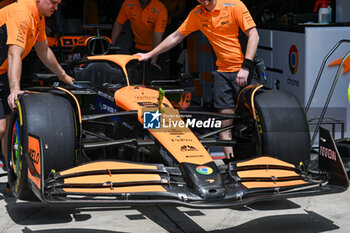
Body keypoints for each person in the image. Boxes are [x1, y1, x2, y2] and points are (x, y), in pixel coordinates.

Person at [135, 0, 259, 159]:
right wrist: (149, 55)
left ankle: (261, 158)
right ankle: (230, 162)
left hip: (244, 70)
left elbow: (254, 35)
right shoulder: (197, 14)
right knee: (225, 118)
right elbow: (176, 36)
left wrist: (246, 66)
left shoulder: (234, 5)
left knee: (255, 118)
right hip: (222, 72)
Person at [0, 0, 74, 167]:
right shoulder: (22, 14)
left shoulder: (38, 17)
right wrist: (14, 89)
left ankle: (12, 179)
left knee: (9, 127)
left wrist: (63, 76)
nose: (56, 8)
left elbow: (44, 50)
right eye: (53, 3)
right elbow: (14, 54)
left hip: (3, 72)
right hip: (5, 72)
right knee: (1, 128)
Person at [111, 0, 168, 71]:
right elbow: (119, 23)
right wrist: (111, 45)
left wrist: (153, 60)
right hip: (137, 46)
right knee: (134, 75)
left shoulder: (160, 8)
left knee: (156, 76)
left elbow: (157, 37)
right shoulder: (128, 4)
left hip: (158, 49)